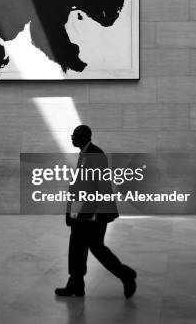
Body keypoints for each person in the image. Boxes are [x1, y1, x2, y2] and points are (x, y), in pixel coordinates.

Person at [55, 125, 137, 299]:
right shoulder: (86, 153)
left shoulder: (95, 154)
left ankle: (124, 274)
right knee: (80, 246)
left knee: (93, 247)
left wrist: (86, 215)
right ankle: (76, 284)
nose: (72, 138)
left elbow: (100, 188)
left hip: (95, 213)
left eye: (75, 135)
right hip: (86, 211)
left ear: (84, 137)